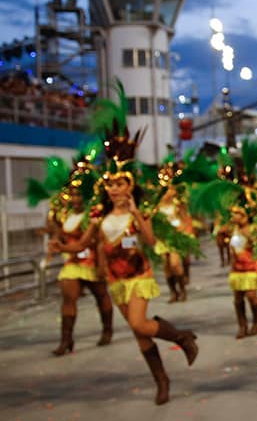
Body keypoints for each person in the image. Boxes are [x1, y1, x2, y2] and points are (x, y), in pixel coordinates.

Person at [62, 111, 199, 405]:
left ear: (129, 185)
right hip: (116, 280)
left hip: (138, 276)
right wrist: (59, 248)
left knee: (139, 324)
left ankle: (181, 337)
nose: (113, 189)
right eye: (109, 184)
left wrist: (137, 212)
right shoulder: (99, 216)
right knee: (141, 335)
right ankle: (162, 381)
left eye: (119, 184)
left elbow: (149, 241)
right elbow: (82, 244)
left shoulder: (140, 214)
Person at [47, 185, 115, 354]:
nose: (75, 199)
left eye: (79, 195)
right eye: (73, 195)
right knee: (68, 298)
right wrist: (56, 238)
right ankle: (66, 340)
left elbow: (91, 242)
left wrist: (101, 265)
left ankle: (107, 330)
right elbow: (62, 236)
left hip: (92, 261)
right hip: (73, 262)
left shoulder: (94, 216)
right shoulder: (67, 216)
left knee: (101, 296)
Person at [228, 204, 257, 338]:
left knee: (252, 297)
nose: (233, 217)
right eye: (232, 214)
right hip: (237, 269)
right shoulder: (232, 229)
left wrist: (250, 237)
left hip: (250, 266)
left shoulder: (253, 228)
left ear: (244, 215)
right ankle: (242, 326)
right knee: (238, 299)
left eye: (236, 214)